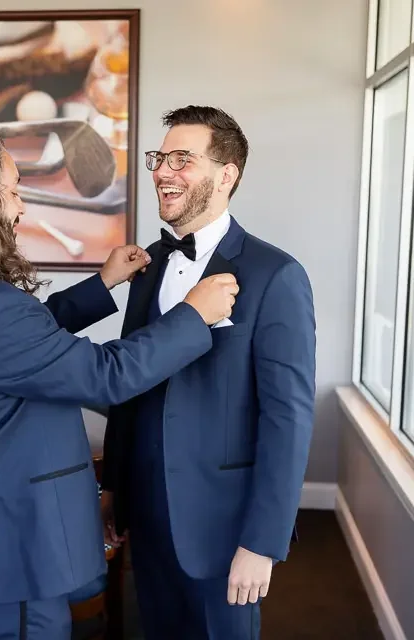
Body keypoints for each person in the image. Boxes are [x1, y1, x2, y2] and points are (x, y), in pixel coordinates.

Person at [0, 127, 239, 639]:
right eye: (14, 191)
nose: (21, 209)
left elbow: (18, 345)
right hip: (10, 548)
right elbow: (107, 375)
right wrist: (193, 316)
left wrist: (101, 284)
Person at [101, 105, 317, 639]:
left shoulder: (277, 275)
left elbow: (287, 418)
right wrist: (115, 491)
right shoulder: (148, 264)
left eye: (182, 159)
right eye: (159, 158)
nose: (162, 171)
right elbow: (133, 384)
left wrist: (262, 542)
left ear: (227, 175)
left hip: (223, 528)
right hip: (147, 517)